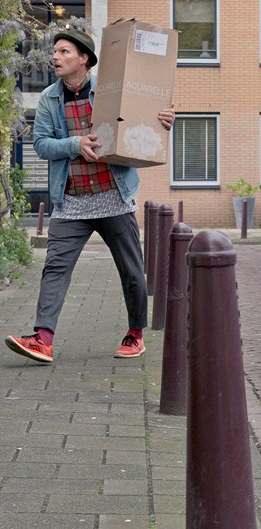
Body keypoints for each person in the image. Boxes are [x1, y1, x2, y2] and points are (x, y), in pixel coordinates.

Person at [5, 27, 175, 364]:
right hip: (71, 202)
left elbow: (143, 116)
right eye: (55, 51)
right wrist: (75, 144)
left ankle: (135, 334)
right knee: (54, 268)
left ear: (84, 58)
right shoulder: (48, 99)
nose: (55, 57)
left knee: (130, 269)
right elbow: (40, 144)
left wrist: (164, 120)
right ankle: (43, 339)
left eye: (64, 51)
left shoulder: (113, 91)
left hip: (113, 195)